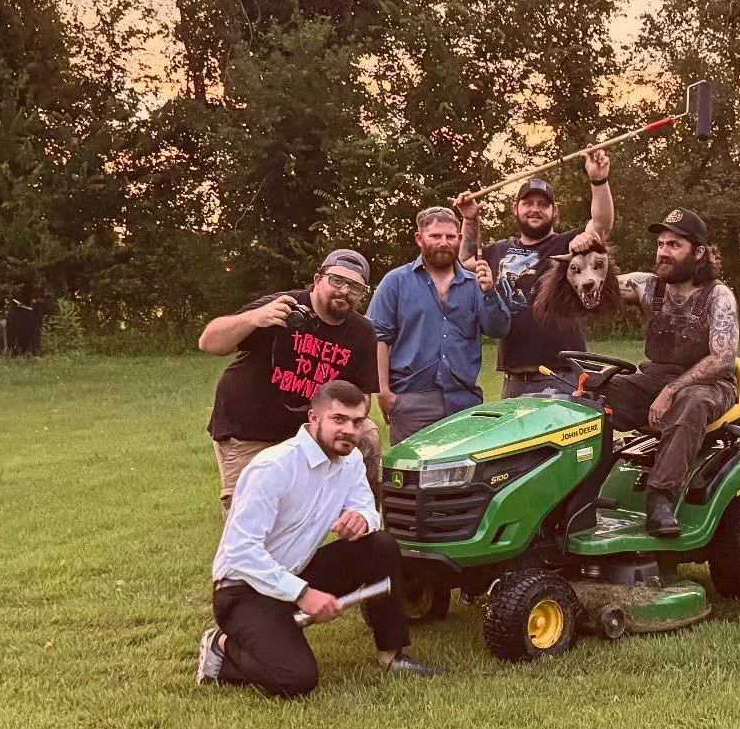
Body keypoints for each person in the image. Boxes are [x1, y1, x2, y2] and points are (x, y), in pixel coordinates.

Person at [196, 380, 441, 696]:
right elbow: (241, 552)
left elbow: (367, 509)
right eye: (339, 419)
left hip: (297, 572)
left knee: (380, 545)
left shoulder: (350, 460)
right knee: (296, 678)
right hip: (243, 589)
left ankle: (391, 656)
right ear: (314, 418)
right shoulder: (273, 467)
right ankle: (221, 646)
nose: (349, 430)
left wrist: (361, 519)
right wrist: (303, 594)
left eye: (357, 422)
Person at [199, 250, 382, 518]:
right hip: (248, 427)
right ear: (317, 280)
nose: (344, 291)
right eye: (336, 280)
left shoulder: (362, 333)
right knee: (250, 516)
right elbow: (209, 343)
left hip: (308, 429)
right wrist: (253, 318)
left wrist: (332, 422)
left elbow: (362, 397)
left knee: (366, 433)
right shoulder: (283, 306)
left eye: (355, 287)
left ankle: (363, 519)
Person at [610, 209, 739, 538]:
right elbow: (593, 281)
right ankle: (581, 487)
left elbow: (723, 359)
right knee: (595, 391)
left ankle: (660, 499)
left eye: (674, 245)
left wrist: (670, 391)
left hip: (711, 384)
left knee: (691, 401)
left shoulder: (718, 296)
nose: (663, 252)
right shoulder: (645, 286)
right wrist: (585, 251)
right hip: (654, 377)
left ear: (698, 252)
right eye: (661, 244)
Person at [455, 149, 613, 398]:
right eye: (528, 203)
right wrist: (469, 219)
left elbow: (601, 225)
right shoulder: (498, 251)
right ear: (515, 208)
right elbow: (465, 260)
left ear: (554, 211)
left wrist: (599, 180)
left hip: (561, 376)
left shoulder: (569, 245)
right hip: (514, 379)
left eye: (543, 204)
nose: (535, 209)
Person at [367, 206, 510, 445]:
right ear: (419, 238)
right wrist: (384, 393)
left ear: (460, 239)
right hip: (411, 401)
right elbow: (378, 339)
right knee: (412, 468)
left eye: (450, 236)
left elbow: (498, 330)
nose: (444, 242)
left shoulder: (476, 284)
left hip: (465, 403)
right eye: (435, 236)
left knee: (465, 468)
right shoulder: (396, 282)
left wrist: (489, 293)